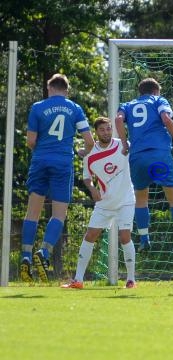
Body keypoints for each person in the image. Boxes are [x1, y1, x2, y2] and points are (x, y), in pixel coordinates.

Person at [20, 73, 95, 282]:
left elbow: (30, 140)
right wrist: (82, 151)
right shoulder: (75, 108)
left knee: (32, 212)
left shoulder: (38, 107)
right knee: (58, 214)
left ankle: (26, 255)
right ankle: (43, 253)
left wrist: (42, 148)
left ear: (49, 88)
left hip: (40, 161)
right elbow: (89, 140)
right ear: (67, 90)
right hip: (63, 162)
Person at [115, 78, 173, 254]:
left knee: (141, 200)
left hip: (138, 156)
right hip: (159, 154)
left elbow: (118, 120)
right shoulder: (158, 100)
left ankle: (144, 239)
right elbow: (166, 119)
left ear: (140, 91)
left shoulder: (127, 104)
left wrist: (125, 145)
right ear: (156, 91)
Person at [61, 117, 137, 289]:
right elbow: (87, 178)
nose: (107, 132)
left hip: (126, 199)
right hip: (104, 202)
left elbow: (137, 150)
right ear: (96, 132)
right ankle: (78, 280)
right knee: (90, 235)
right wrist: (92, 189)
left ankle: (131, 280)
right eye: (102, 130)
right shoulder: (89, 154)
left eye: (109, 129)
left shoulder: (123, 145)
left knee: (125, 236)